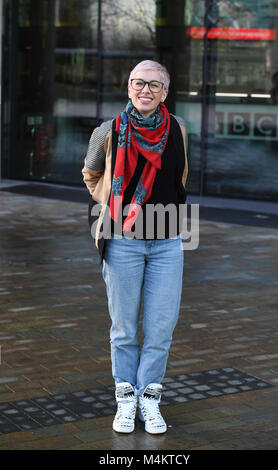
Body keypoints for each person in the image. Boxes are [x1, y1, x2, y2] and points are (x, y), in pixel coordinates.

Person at [81, 60, 188, 434]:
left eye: (154, 85)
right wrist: (109, 203)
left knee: (160, 327)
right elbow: (90, 172)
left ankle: (150, 397)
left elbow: (179, 179)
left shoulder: (178, 129)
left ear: (165, 93)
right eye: (138, 83)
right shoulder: (107, 132)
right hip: (122, 241)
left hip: (168, 241)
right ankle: (125, 397)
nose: (145, 90)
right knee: (124, 328)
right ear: (128, 87)